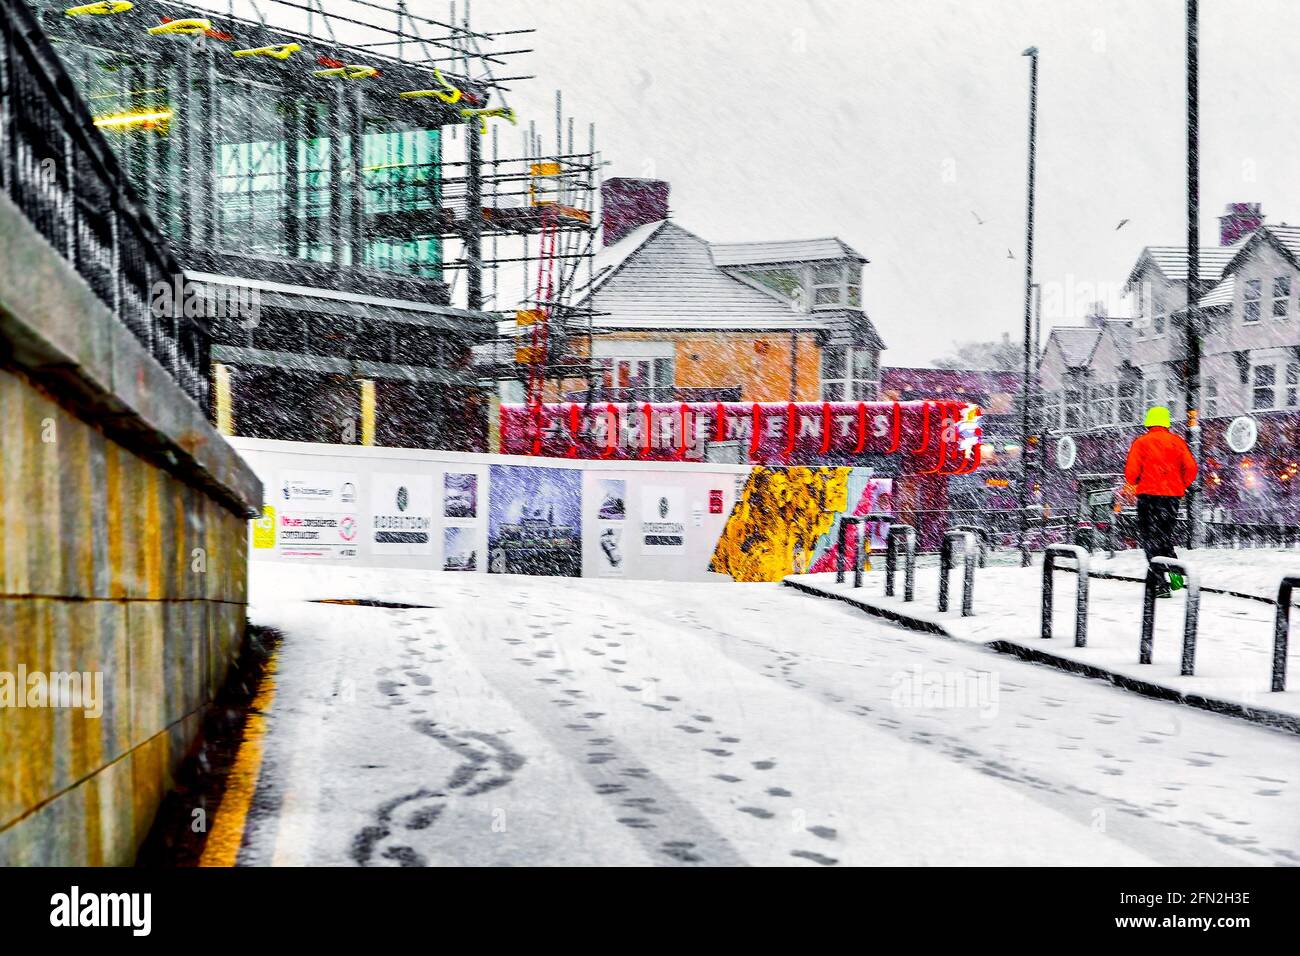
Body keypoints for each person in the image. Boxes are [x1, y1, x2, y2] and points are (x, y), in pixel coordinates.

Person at [1123, 406, 1198, 597]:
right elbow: (1191, 468)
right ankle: (1176, 577)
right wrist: (1179, 484)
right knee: (1165, 537)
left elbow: (1131, 474)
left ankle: (1161, 584)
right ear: (1166, 422)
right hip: (1172, 498)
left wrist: (1140, 479)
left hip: (1148, 497)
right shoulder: (1177, 442)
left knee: (1150, 540)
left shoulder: (1141, 443)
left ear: (1149, 422)